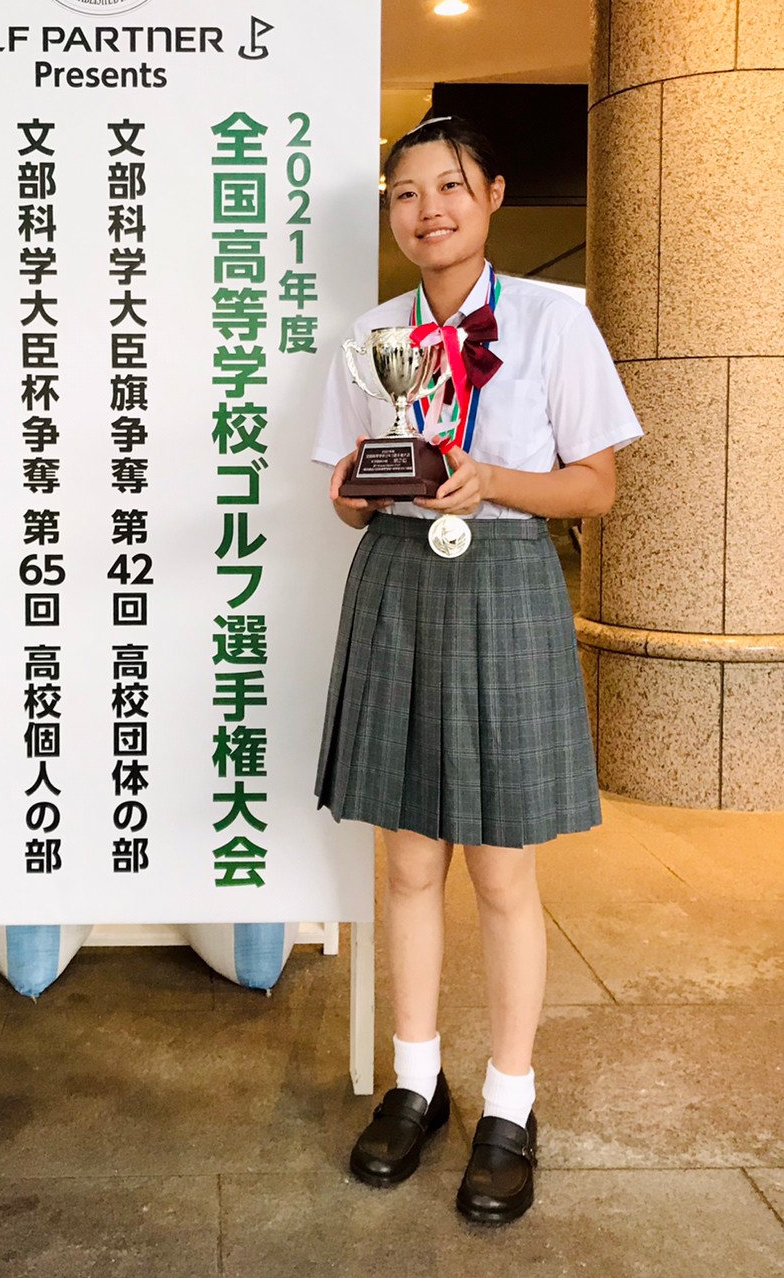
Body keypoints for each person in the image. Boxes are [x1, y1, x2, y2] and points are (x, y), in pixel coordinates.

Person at [313, 115, 642, 1225]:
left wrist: (491, 476)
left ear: (493, 192)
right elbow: (349, 492)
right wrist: (362, 488)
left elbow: (595, 485)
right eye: (405, 193)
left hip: (503, 583)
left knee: (501, 871)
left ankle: (511, 1100)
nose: (427, 210)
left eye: (448, 186)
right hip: (401, 581)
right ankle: (415, 1083)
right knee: (408, 862)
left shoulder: (555, 319)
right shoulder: (374, 334)